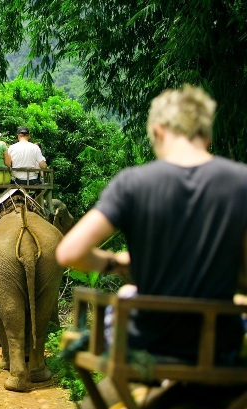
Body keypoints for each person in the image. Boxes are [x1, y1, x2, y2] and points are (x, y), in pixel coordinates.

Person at [56, 84, 247, 364]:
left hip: (147, 344)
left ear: (158, 131)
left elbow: (69, 253)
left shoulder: (133, 183)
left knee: (125, 295)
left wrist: (113, 261)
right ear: (207, 136)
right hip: (219, 347)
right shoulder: (240, 182)